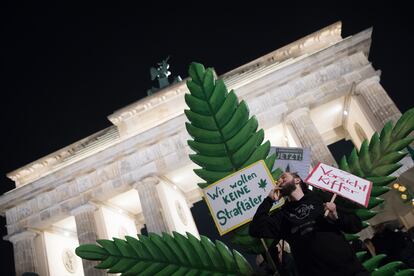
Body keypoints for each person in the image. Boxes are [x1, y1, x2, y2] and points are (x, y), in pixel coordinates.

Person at [249, 172, 369, 276]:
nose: (279, 181)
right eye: (278, 180)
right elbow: (256, 229)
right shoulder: (283, 215)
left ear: (297, 180)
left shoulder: (321, 198)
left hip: (350, 270)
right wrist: (269, 200)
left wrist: (337, 217)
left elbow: (356, 224)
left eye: (283, 177)